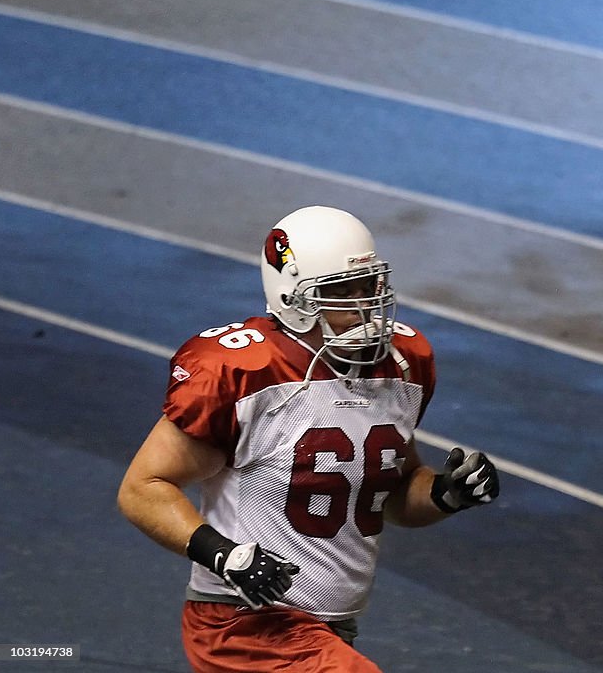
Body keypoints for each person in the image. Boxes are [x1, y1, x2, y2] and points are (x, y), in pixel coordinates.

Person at [117, 205, 499, 672]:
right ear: (293, 297)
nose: (363, 306)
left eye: (370, 287)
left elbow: (394, 496)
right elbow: (143, 488)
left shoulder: (403, 363)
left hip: (331, 627)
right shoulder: (244, 372)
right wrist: (225, 555)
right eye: (342, 292)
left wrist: (445, 492)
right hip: (246, 621)